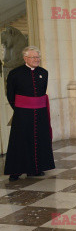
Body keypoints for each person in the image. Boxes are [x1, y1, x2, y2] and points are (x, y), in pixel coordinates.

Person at [4, 46, 55, 181]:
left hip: (40, 112)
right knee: (20, 141)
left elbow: (42, 92)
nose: (37, 60)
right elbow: (10, 94)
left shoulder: (44, 72)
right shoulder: (15, 73)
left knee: (39, 139)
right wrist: (20, 108)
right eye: (34, 57)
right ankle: (16, 171)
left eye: (38, 57)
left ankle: (36, 169)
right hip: (22, 113)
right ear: (25, 58)